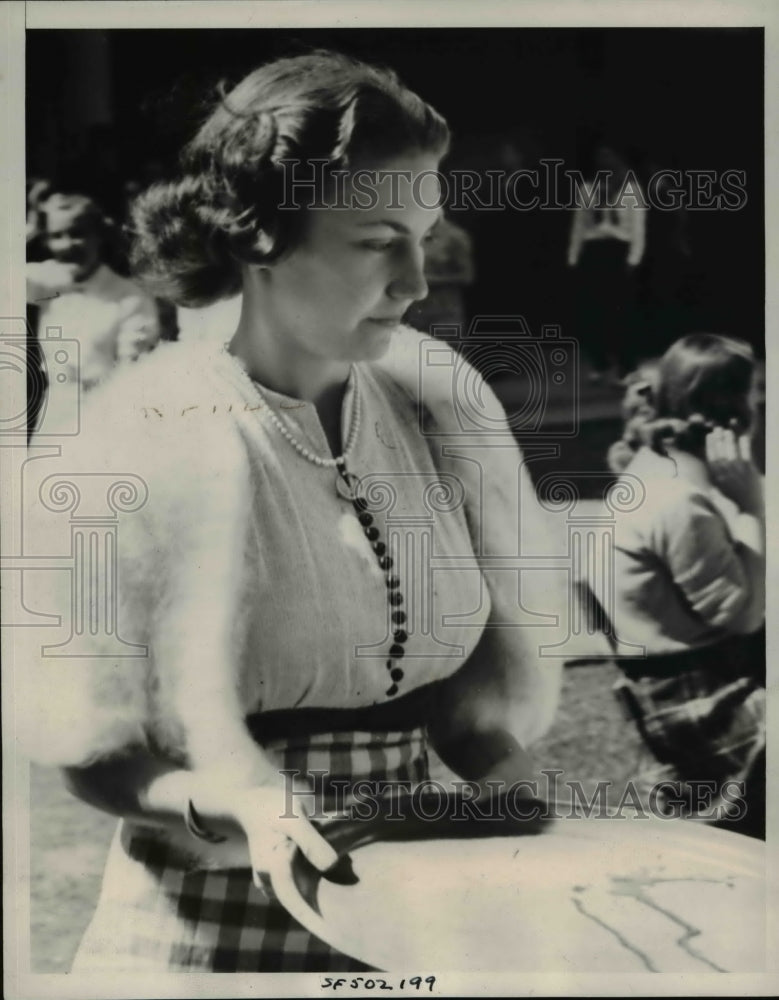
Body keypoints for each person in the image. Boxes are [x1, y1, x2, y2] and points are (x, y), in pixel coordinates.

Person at [21, 51, 563, 972]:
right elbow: (91, 745)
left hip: (399, 924)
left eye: (423, 236)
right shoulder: (144, 431)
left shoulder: (437, 408)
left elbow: (468, 722)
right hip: (204, 928)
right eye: (375, 239)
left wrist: (519, 790)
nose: (415, 282)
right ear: (260, 235)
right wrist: (235, 801)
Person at [602, 334, 765, 836]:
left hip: (687, 680)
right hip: (701, 701)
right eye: (758, 391)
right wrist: (754, 506)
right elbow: (744, 615)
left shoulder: (659, 471)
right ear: (733, 409)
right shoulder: (679, 499)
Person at [26, 192, 160, 394]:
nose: (67, 244)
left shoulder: (130, 296)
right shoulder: (47, 281)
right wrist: (30, 230)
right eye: (56, 236)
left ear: (99, 236)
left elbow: (132, 375)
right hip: (55, 409)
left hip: (103, 408)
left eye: (78, 233)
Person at [567, 142, 646, 381]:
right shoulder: (588, 188)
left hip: (618, 250)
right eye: (600, 157)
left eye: (609, 156)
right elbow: (579, 224)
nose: (605, 162)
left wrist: (634, 257)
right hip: (594, 249)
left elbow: (638, 226)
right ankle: (600, 364)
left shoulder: (630, 188)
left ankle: (626, 366)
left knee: (620, 311)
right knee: (594, 311)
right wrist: (573, 256)